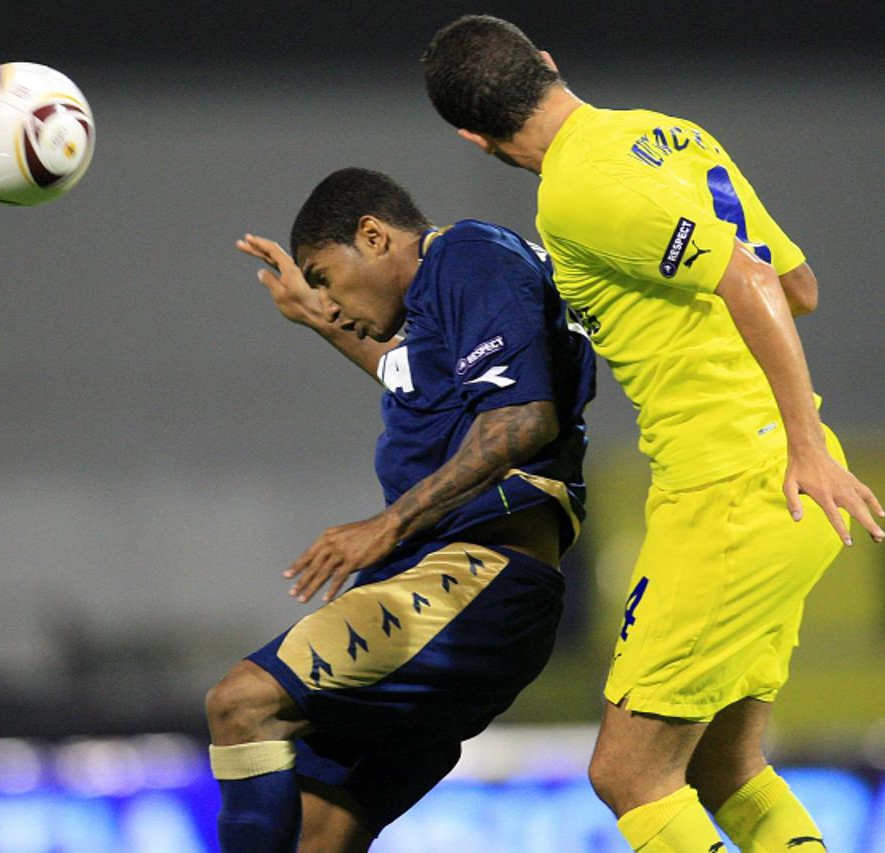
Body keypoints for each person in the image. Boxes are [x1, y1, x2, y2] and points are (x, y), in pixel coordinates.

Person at [421, 15, 885, 852]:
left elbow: (749, 278)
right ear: (549, 63)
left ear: (471, 137)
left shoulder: (575, 188)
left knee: (629, 774)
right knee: (727, 769)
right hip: (776, 481)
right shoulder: (666, 135)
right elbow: (798, 284)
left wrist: (803, 446)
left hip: (734, 488)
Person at [207, 167, 596, 851]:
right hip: (461, 597)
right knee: (318, 833)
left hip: (483, 578)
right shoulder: (439, 314)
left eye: (325, 276)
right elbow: (412, 374)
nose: (332, 301)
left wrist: (389, 522)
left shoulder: (468, 255)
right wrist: (317, 315)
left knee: (242, 702)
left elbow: (521, 419)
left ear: (374, 235)